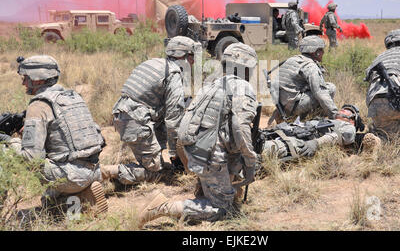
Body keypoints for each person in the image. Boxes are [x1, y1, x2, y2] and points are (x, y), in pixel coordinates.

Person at [137, 43, 259, 227]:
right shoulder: (243, 87)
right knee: (223, 209)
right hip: (209, 154)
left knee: (233, 164)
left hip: (194, 148)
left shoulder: (213, 84)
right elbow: (240, 128)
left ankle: (206, 189)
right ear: (246, 67)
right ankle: (163, 207)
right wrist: (251, 161)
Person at [4, 55, 107, 213]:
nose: (23, 82)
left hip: (70, 176)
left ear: (37, 80)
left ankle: (82, 201)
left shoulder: (39, 105)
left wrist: (9, 141)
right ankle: (85, 197)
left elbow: (32, 159)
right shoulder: (72, 97)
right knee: (48, 202)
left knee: (4, 151)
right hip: (94, 169)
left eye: (25, 77)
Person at [101, 36, 201, 185]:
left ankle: (153, 159)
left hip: (126, 115)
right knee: (154, 174)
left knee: (160, 164)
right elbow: (173, 120)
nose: (193, 62)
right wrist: (176, 154)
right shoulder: (173, 74)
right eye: (192, 57)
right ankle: (104, 173)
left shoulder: (154, 62)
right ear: (183, 56)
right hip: (135, 120)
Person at [260, 105, 381, 163]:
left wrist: (316, 143)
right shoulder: (322, 120)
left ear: (352, 119)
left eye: (347, 111)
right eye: (342, 110)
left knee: (259, 151)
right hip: (287, 135)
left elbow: (338, 136)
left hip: (293, 142)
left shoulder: (348, 127)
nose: (342, 111)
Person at [269, 36, 338, 125]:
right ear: (315, 52)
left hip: (282, 105)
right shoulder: (309, 66)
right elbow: (320, 92)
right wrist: (335, 114)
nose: (323, 52)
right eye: (321, 50)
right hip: (294, 107)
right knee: (330, 88)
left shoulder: (292, 60)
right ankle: (316, 122)